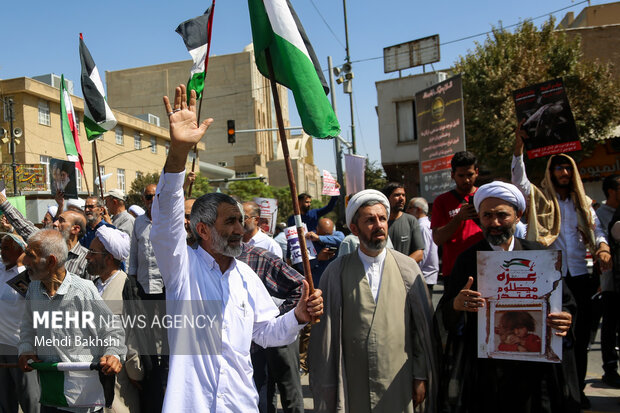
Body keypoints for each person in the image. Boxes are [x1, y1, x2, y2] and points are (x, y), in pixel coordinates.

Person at [150, 84, 323, 412]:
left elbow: (268, 333)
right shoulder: (181, 268)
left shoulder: (245, 276)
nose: (238, 230)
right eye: (229, 222)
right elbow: (164, 221)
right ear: (202, 229)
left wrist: (298, 315)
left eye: (240, 222)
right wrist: (178, 152)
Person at [437, 181, 579, 413]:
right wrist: (457, 304)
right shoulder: (467, 260)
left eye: (502, 215)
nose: (494, 223)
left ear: (518, 215)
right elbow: (446, 314)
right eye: (487, 215)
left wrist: (566, 318)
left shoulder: (541, 256)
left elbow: (566, 303)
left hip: (535, 371)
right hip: (487, 372)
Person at [308, 189, 439, 413]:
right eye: (370, 220)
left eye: (382, 219)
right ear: (354, 228)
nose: (378, 225)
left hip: (398, 379)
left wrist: (419, 375)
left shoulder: (407, 268)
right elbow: (325, 335)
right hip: (353, 380)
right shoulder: (336, 271)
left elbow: (421, 330)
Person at [512, 126, 611, 407]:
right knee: (551, 338)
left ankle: (576, 393)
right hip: (550, 278)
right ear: (551, 172)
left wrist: (602, 247)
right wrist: (518, 150)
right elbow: (519, 182)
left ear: (573, 173)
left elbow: (597, 230)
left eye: (566, 169)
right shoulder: (541, 199)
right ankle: (558, 393)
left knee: (579, 341)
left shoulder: (584, 203)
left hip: (580, 278)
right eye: (557, 169)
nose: (563, 174)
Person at [18, 229, 126, 412]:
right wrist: (26, 349)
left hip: (82, 400)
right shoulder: (34, 289)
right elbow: (28, 326)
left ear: (51, 261)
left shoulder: (83, 290)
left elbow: (112, 329)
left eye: (30, 255)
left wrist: (113, 354)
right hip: (51, 394)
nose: (24, 261)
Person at [237, 243, 305, 413]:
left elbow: (300, 288)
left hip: (256, 351)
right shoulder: (187, 262)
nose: (237, 229)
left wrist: (288, 316)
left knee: (282, 386)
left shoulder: (254, 260)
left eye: (239, 220)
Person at [87, 226, 144, 413]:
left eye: (92, 252)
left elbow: (134, 335)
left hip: (120, 381)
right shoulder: (91, 287)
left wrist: (136, 373)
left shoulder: (127, 287)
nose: (87, 256)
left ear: (109, 258)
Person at [0, 192, 90, 279]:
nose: (55, 223)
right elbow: (24, 226)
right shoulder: (46, 244)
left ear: (75, 229)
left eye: (61, 221)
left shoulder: (86, 260)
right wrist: (4, 203)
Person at [0, 234, 40, 413]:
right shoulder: (1, 269)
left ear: (20, 251)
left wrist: (21, 264)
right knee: (5, 400)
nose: (3, 251)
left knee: (29, 400)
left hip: (19, 347)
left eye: (8, 247)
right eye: (2, 247)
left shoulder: (26, 276)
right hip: (2, 346)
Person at [431, 151, 483, 283]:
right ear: (452, 175)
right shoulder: (441, 201)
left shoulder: (486, 197)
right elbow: (437, 239)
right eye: (461, 175)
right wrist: (458, 218)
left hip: (484, 266)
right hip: (455, 270)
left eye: (470, 174)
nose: (466, 180)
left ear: (477, 172)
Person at [129, 184, 163, 300]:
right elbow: (134, 251)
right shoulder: (138, 222)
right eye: (149, 197)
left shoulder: (168, 221)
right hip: (143, 282)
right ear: (143, 199)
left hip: (164, 283)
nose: (153, 200)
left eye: (156, 196)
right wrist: (132, 276)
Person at [381, 182, 424, 263]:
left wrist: (400, 267)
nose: (402, 198)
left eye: (403, 195)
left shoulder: (411, 220)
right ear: (386, 198)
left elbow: (419, 254)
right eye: (397, 195)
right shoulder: (379, 223)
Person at [407, 197, 439, 293]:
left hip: (423, 276)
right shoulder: (427, 225)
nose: (407, 211)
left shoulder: (421, 227)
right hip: (426, 275)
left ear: (419, 209)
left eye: (409, 208)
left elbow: (422, 253)